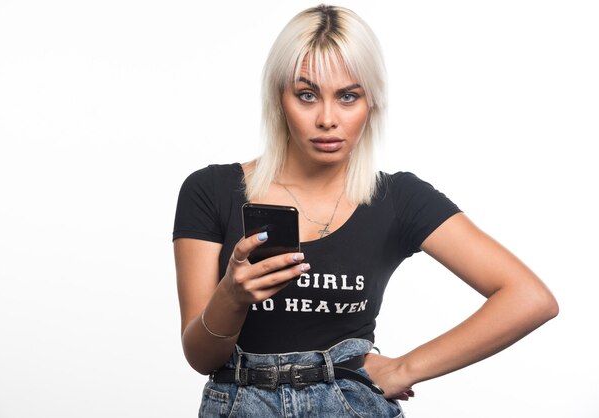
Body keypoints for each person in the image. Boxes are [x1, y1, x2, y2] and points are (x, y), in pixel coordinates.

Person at [172, 5, 559, 417]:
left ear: (370, 101)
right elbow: (201, 359)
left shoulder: (397, 198)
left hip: (350, 403)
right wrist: (231, 295)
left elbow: (530, 298)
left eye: (347, 96)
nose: (327, 119)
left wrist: (406, 368)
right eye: (306, 95)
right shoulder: (211, 190)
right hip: (241, 401)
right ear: (278, 97)